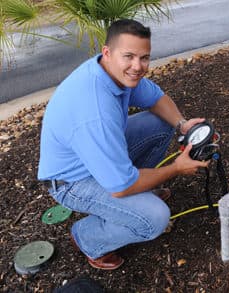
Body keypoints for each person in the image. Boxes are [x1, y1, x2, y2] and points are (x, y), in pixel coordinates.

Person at [38, 19, 209, 270]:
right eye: (128, 56)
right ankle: (87, 238)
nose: (137, 66)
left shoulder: (113, 72)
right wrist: (175, 168)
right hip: (72, 182)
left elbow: (156, 97)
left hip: (95, 158)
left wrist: (182, 125)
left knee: (162, 122)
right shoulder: (96, 110)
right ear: (107, 53)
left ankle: (136, 196)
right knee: (156, 217)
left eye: (144, 58)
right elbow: (121, 186)